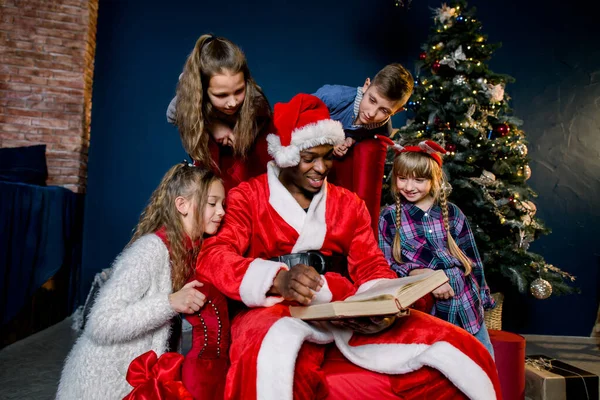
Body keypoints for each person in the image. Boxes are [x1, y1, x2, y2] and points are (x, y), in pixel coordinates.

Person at [197, 94, 501, 400]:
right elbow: (214, 256)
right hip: (271, 309)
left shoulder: (348, 204)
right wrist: (277, 279)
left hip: (340, 305)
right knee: (279, 361)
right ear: (286, 155)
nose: (321, 167)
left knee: (458, 348)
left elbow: (370, 265)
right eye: (310, 158)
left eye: (327, 156)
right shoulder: (248, 197)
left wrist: (379, 303)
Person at [57, 164, 225, 399]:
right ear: (182, 205)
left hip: (135, 385)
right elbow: (100, 323)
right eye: (212, 203)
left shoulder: (188, 253)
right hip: (100, 386)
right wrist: (169, 303)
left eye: (222, 204)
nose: (221, 212)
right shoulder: (150, 251)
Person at [378, 137, 496, 356]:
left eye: (419, 180)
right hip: (425, 309)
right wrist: (423, 275)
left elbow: (473, 259)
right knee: (437, 366)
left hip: (466, 303)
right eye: (402, 179)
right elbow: (386, 265)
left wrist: (484, 296)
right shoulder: (388, 218)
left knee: (482, 361)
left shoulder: (452, 213)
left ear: (435, 179)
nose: (409, 187)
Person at [313, 63, 414, 237]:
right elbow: (298, 116)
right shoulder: (334, 97)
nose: (372, 113)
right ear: (366, 85)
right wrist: (330, 139)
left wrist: (351, 139)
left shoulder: (383, 130)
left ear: (397, 111)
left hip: (333, 176)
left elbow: (363, 142)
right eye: (372, 100)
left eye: (384, 110)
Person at [167, 34, 272, 192]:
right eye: (221, 95)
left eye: (239, 91)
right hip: (213, 182)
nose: (233, 102)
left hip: (251, 179)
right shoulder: (191, 100)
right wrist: (213, 125)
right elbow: (172, 115)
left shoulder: (256, 101)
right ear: (202, 90)